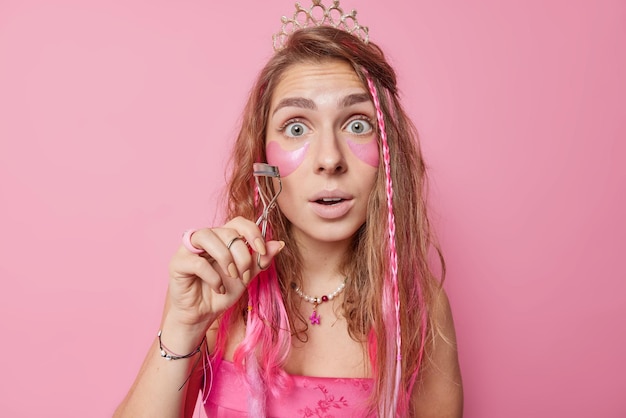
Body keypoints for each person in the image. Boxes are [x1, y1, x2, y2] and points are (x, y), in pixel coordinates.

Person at [115, 1, 463, 416]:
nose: (329, 158)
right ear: (262, 156)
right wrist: (183, 327)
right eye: (296, 127)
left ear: (389, 152)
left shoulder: (417, 306)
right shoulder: (214, 284)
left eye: (357, 123)